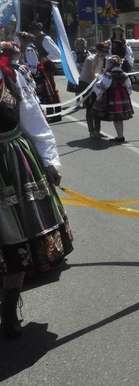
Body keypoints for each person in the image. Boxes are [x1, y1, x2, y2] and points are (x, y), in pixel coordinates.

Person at [0, 51, 74, 339]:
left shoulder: (11, 76)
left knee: (16, 239)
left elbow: (35, 123)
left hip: (13, 166)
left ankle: (8, 312)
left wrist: (50, 161)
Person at [92, 55, 134, 143]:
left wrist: (97, 87)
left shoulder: (109, 74)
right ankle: (120, 135)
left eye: (108, 63)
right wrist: (127, 93)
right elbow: (129, 85)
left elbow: (104, 86)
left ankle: (120, 136)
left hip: (113, 95)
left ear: (112, 64)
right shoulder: (123, 73)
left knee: (116, 117)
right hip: (122, 95)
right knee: (119, 117)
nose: (107, 64)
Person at [26, 23, 62, 122]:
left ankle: (57, 114)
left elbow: (57, 53)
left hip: (47, 67)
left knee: (51, 90)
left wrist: (45, 58)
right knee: (46, 91)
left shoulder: (45, 38)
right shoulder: (36, 39)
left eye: (34, 31)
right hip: (40, 67)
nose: (33, 33)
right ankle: (51, 113)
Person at [80, 42, 109, 139]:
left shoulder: (105, 60)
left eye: (105, 51)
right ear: (97, 50)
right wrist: (100, 83)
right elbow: (90, 74)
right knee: (89, 107)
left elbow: (104, 73)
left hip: (97, 84)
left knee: (98, 108)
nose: (103, 54)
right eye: (101, 51)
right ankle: (91, 131)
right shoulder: (90, 59)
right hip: (87, 84)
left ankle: (97, 130)